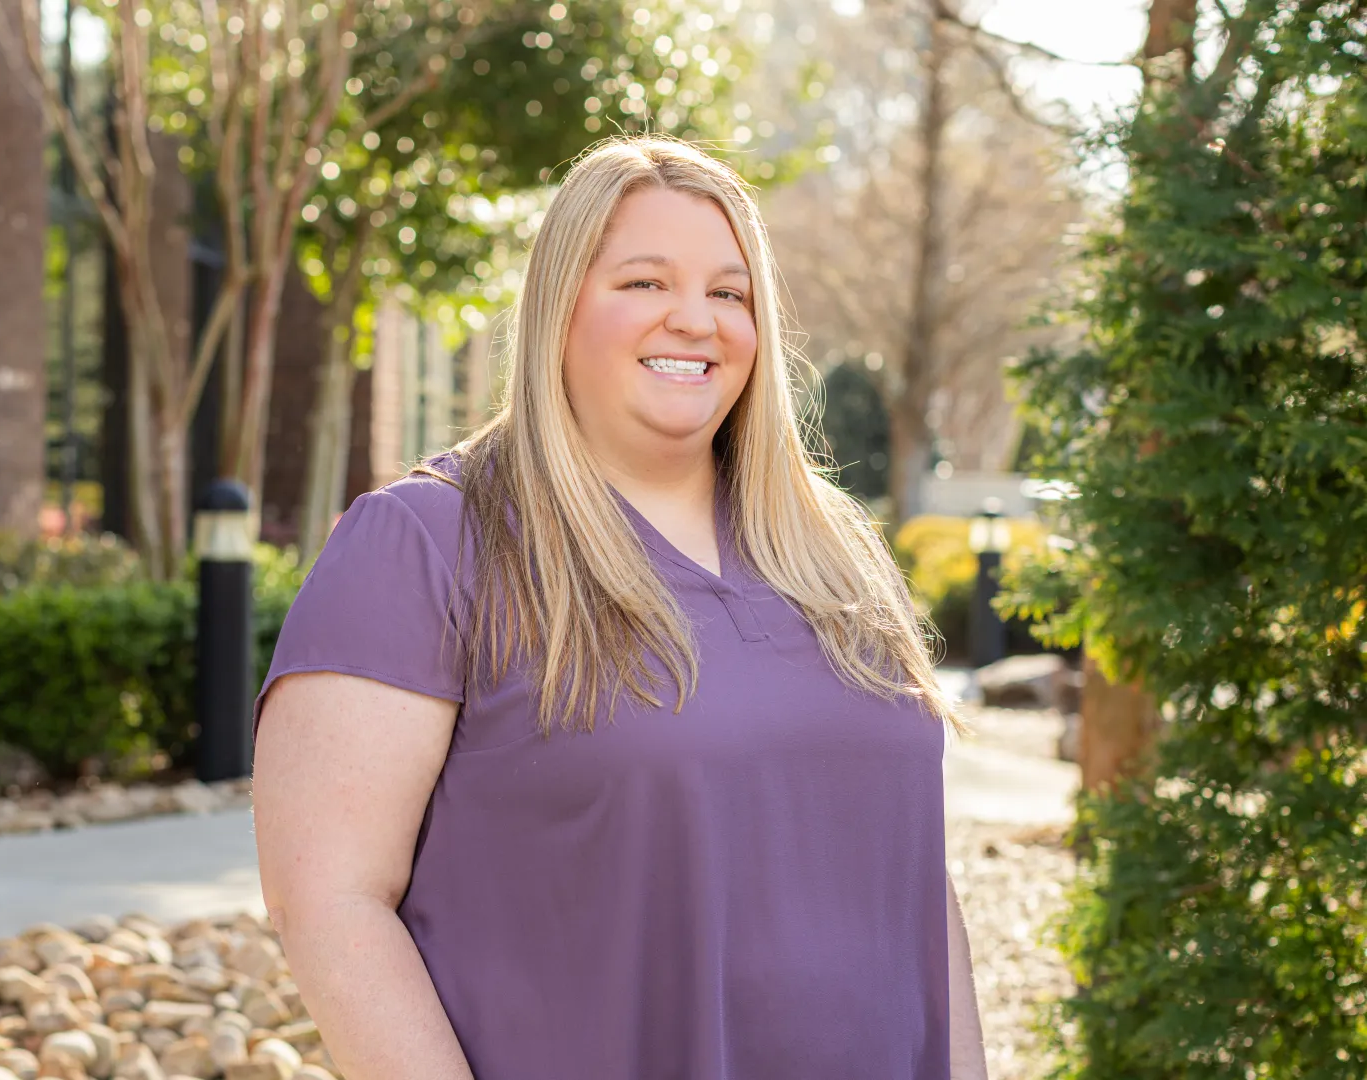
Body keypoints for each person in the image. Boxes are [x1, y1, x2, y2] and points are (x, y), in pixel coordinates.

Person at [250, 135, 988, 1080]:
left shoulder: (832, 547)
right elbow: (329, 900)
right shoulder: (427, 544)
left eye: (729, 293)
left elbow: (918, 887)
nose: (695, 320)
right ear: (559, 309)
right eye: (645, 284)